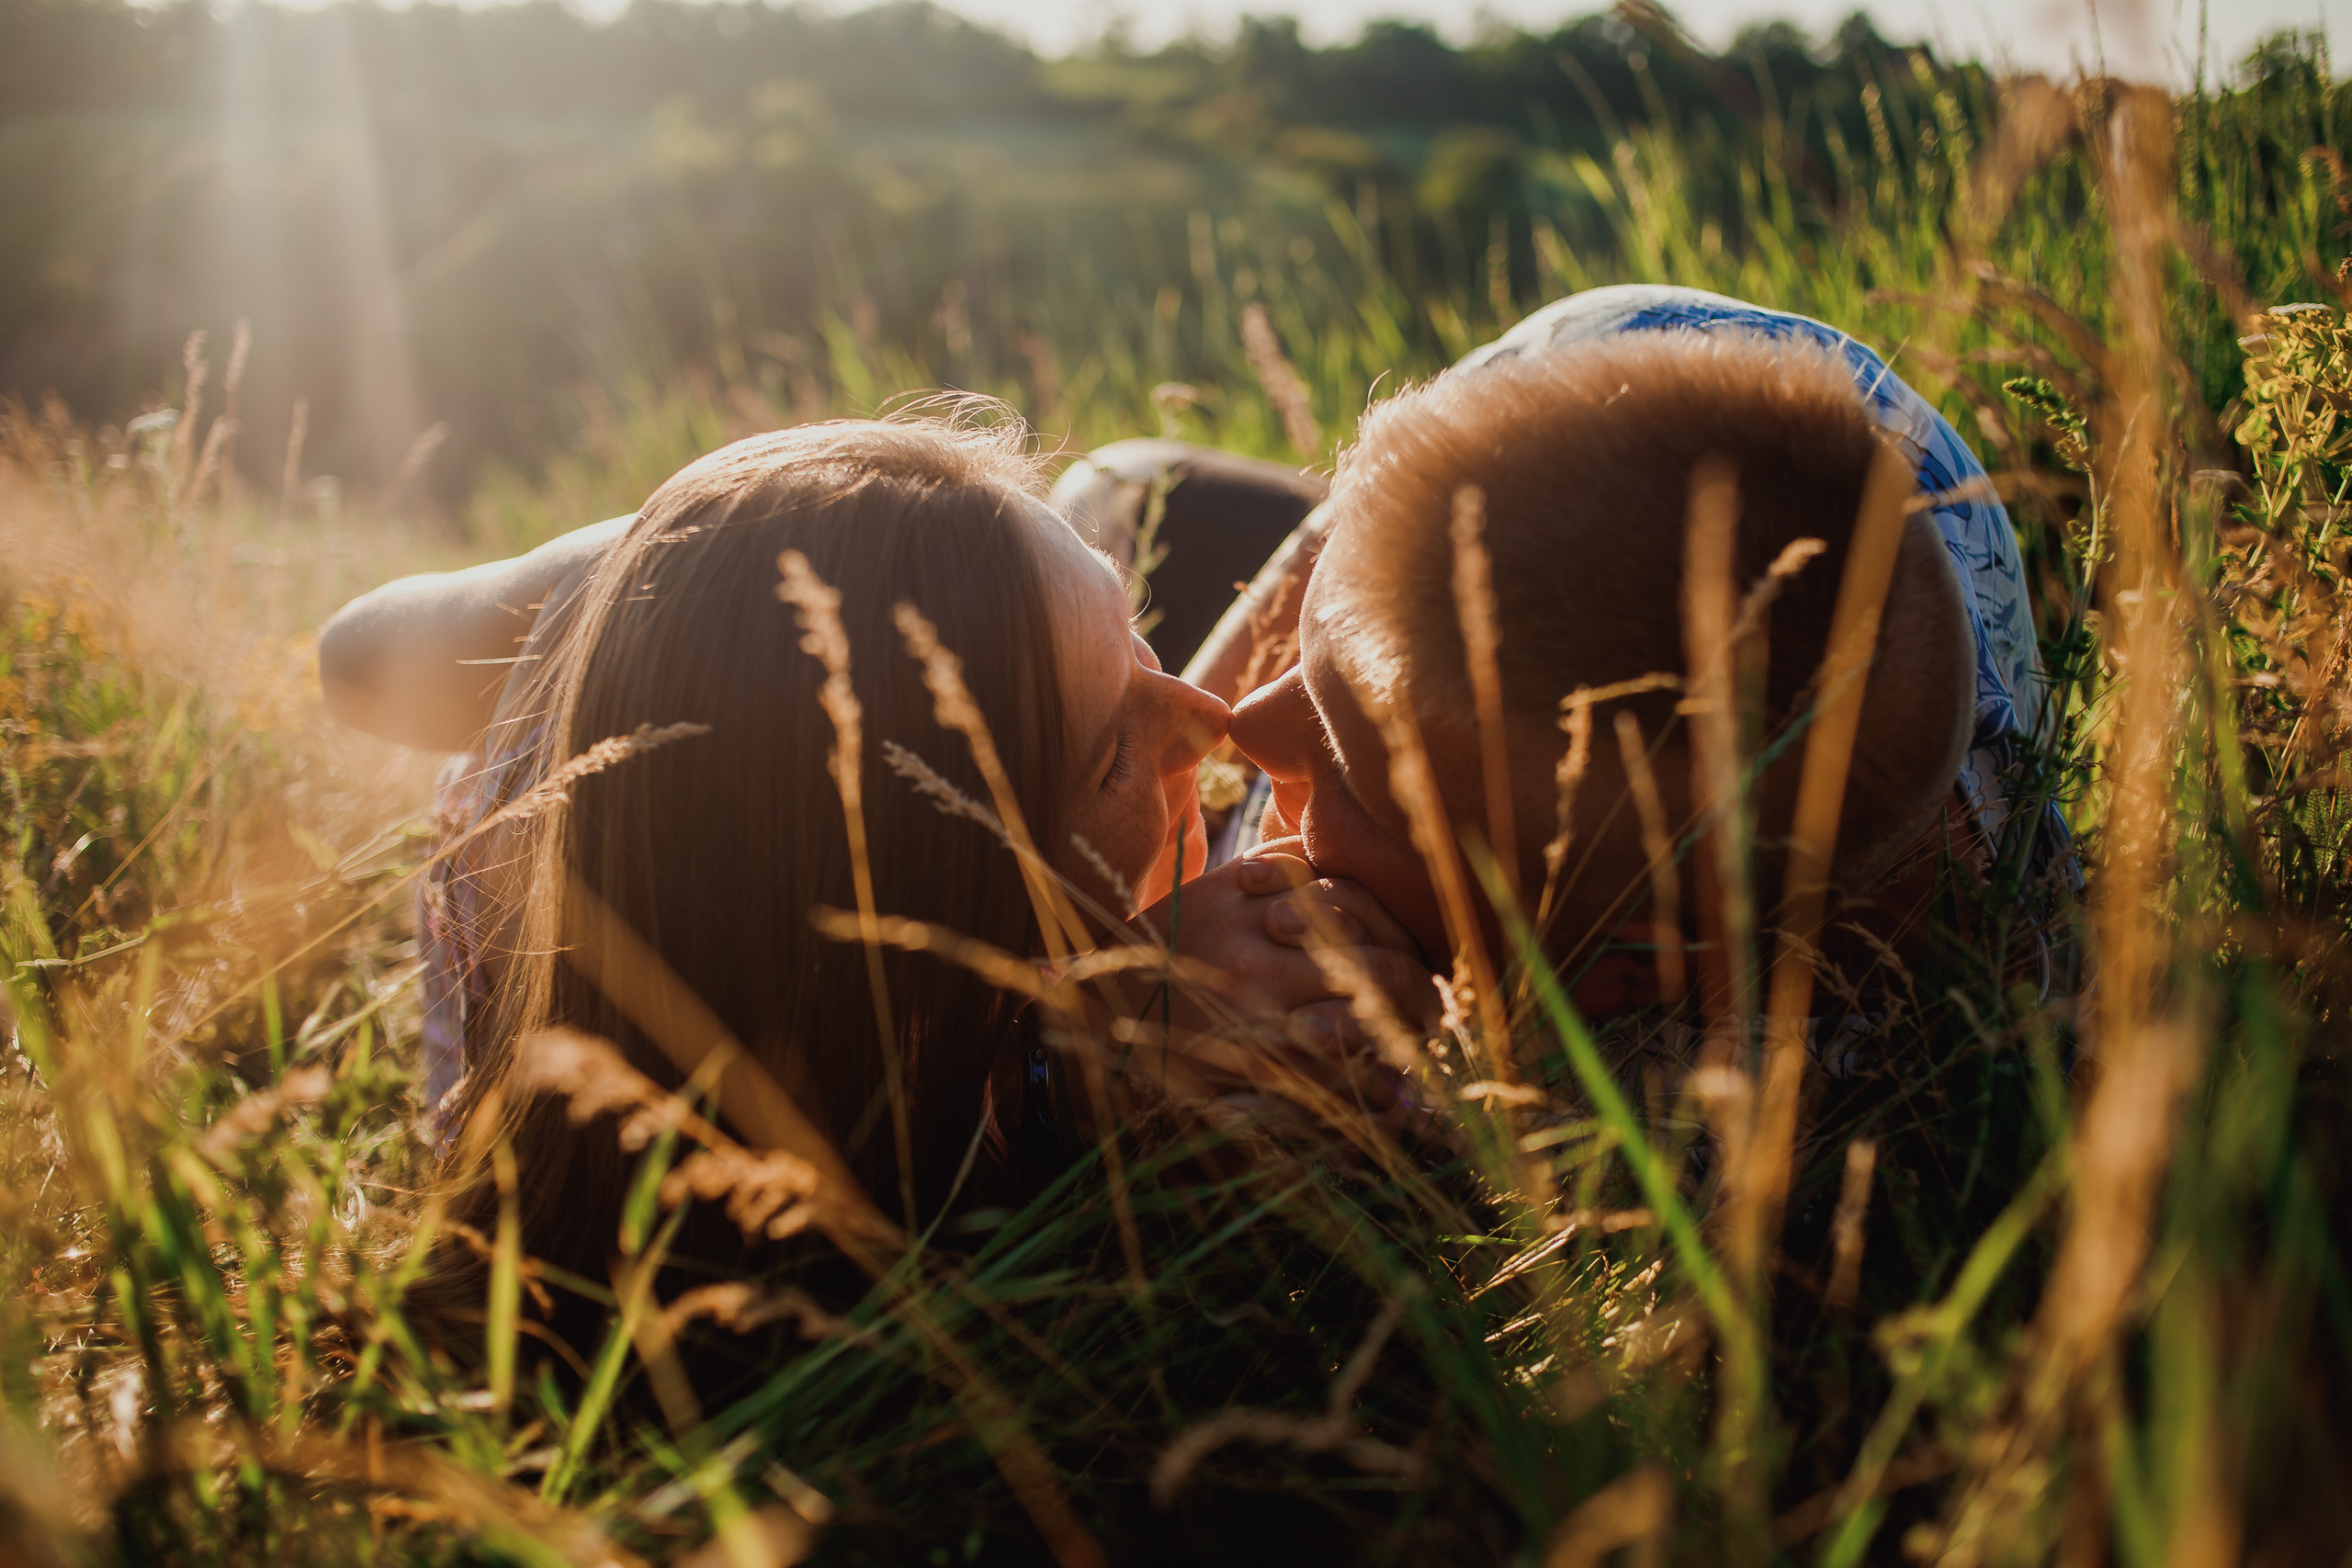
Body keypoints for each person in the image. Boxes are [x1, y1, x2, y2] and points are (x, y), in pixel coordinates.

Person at [317, 414, 1433, 1319]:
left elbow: (350, 657)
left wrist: (654, 565)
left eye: (1135, 628)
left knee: (1131, 495)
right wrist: (1087, 1069)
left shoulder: (625, 595)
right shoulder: (774, 1165)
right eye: (1109, 760)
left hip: (1116, 515)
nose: (1209, 715)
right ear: (933, 912)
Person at [1095, 285, 2074, 1007]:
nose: (1239, 725)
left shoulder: (1931, 1038)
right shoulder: (1604, 367)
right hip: (1383, 567)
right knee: (1118, 494)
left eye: (1354, 775)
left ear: (1626, 971)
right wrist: (1156, 856)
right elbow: (1333, 541)